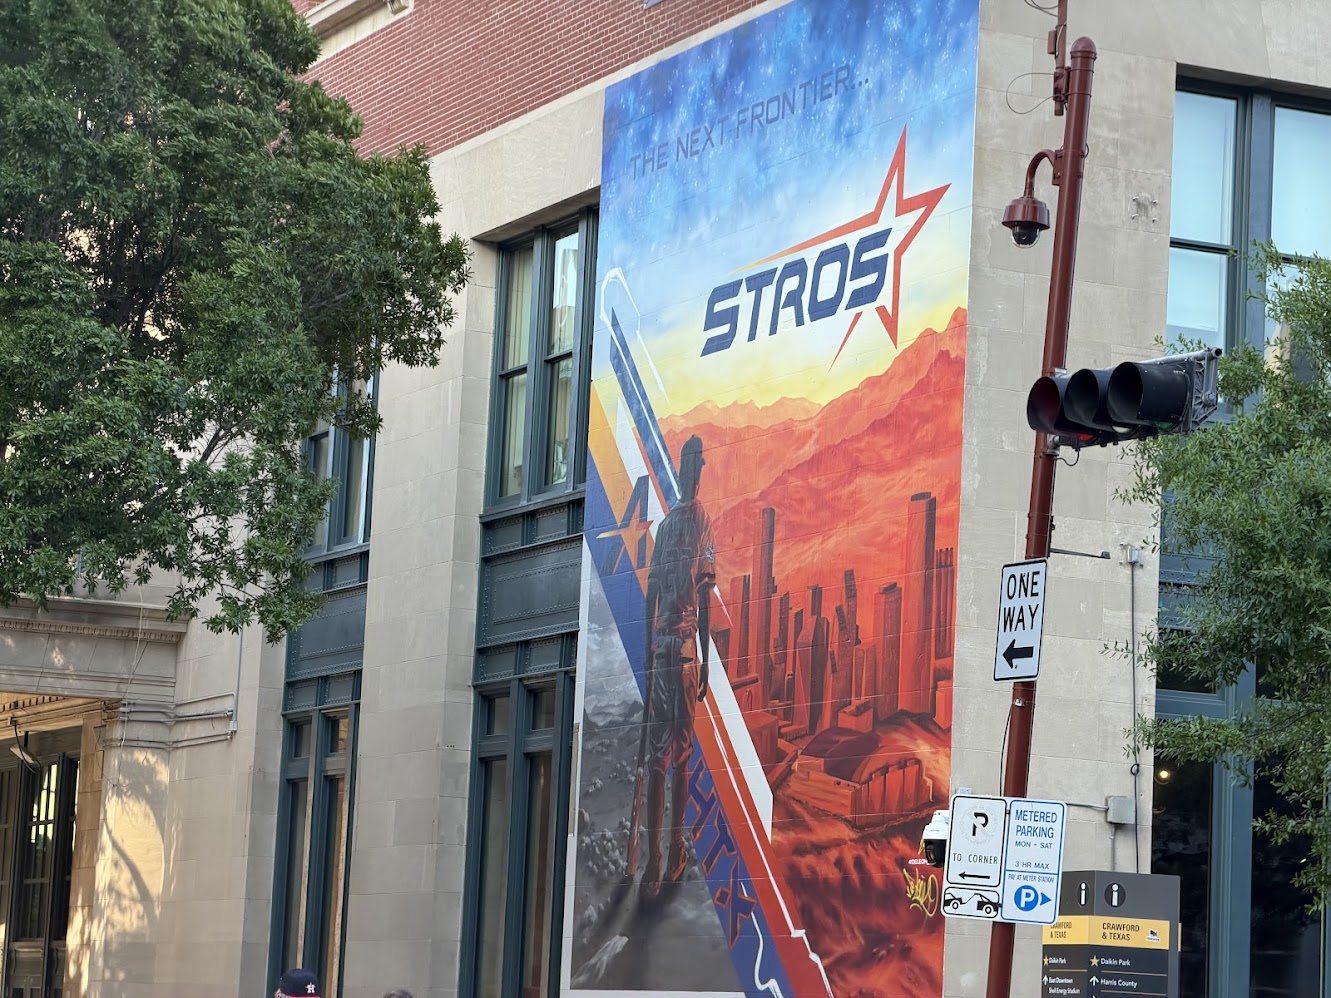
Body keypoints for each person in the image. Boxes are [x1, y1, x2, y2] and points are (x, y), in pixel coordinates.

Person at [631, 434, 716, 896]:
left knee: (656, 758)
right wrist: (702, 660)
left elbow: (649, 597)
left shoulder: (664, 527)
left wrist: (647, 650)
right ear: (695, 470)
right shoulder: (701, 520)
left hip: (660, 649)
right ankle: (674, 854)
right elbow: (703, 597)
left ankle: (652, 863)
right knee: (680, 758)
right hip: (682, 650)